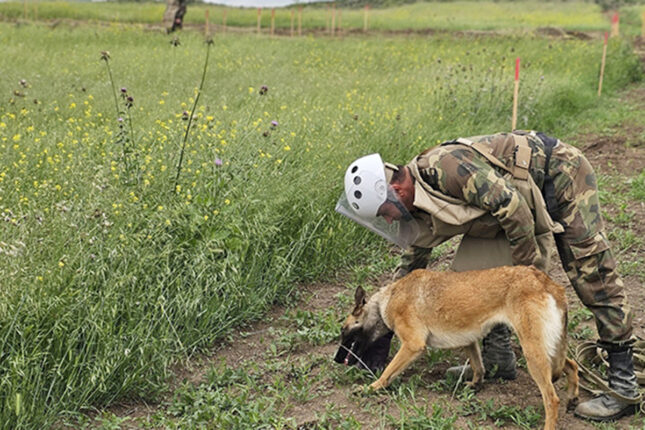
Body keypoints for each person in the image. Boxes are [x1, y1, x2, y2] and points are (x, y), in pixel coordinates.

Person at [335, 131, 639, 422]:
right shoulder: (414, 201)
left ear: (397, 190)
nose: (389, 220)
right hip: (515, 202)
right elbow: (414, 260)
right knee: (466, 279)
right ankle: (497, 359)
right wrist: (386, 319)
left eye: (385, 213)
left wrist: (526, 281)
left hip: (559, 174)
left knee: (591, 273)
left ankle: (623, 385)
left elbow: (515, 210)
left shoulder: (446, 169)